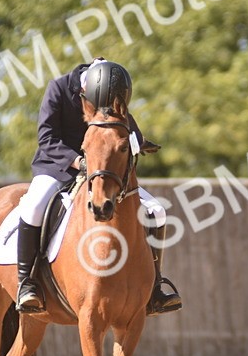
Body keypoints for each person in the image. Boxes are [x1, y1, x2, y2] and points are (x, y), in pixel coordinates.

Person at [15, 58, 182, 316]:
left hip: (103, 172)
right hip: (58, 166)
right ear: (86, 93)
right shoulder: (58, 89)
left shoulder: (110, 93)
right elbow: (46, 138)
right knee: (34, 207)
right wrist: (79, 161)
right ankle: (27, 283)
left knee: (157, 210)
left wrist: (139, 141)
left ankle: (156, 286)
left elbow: (127, 129)